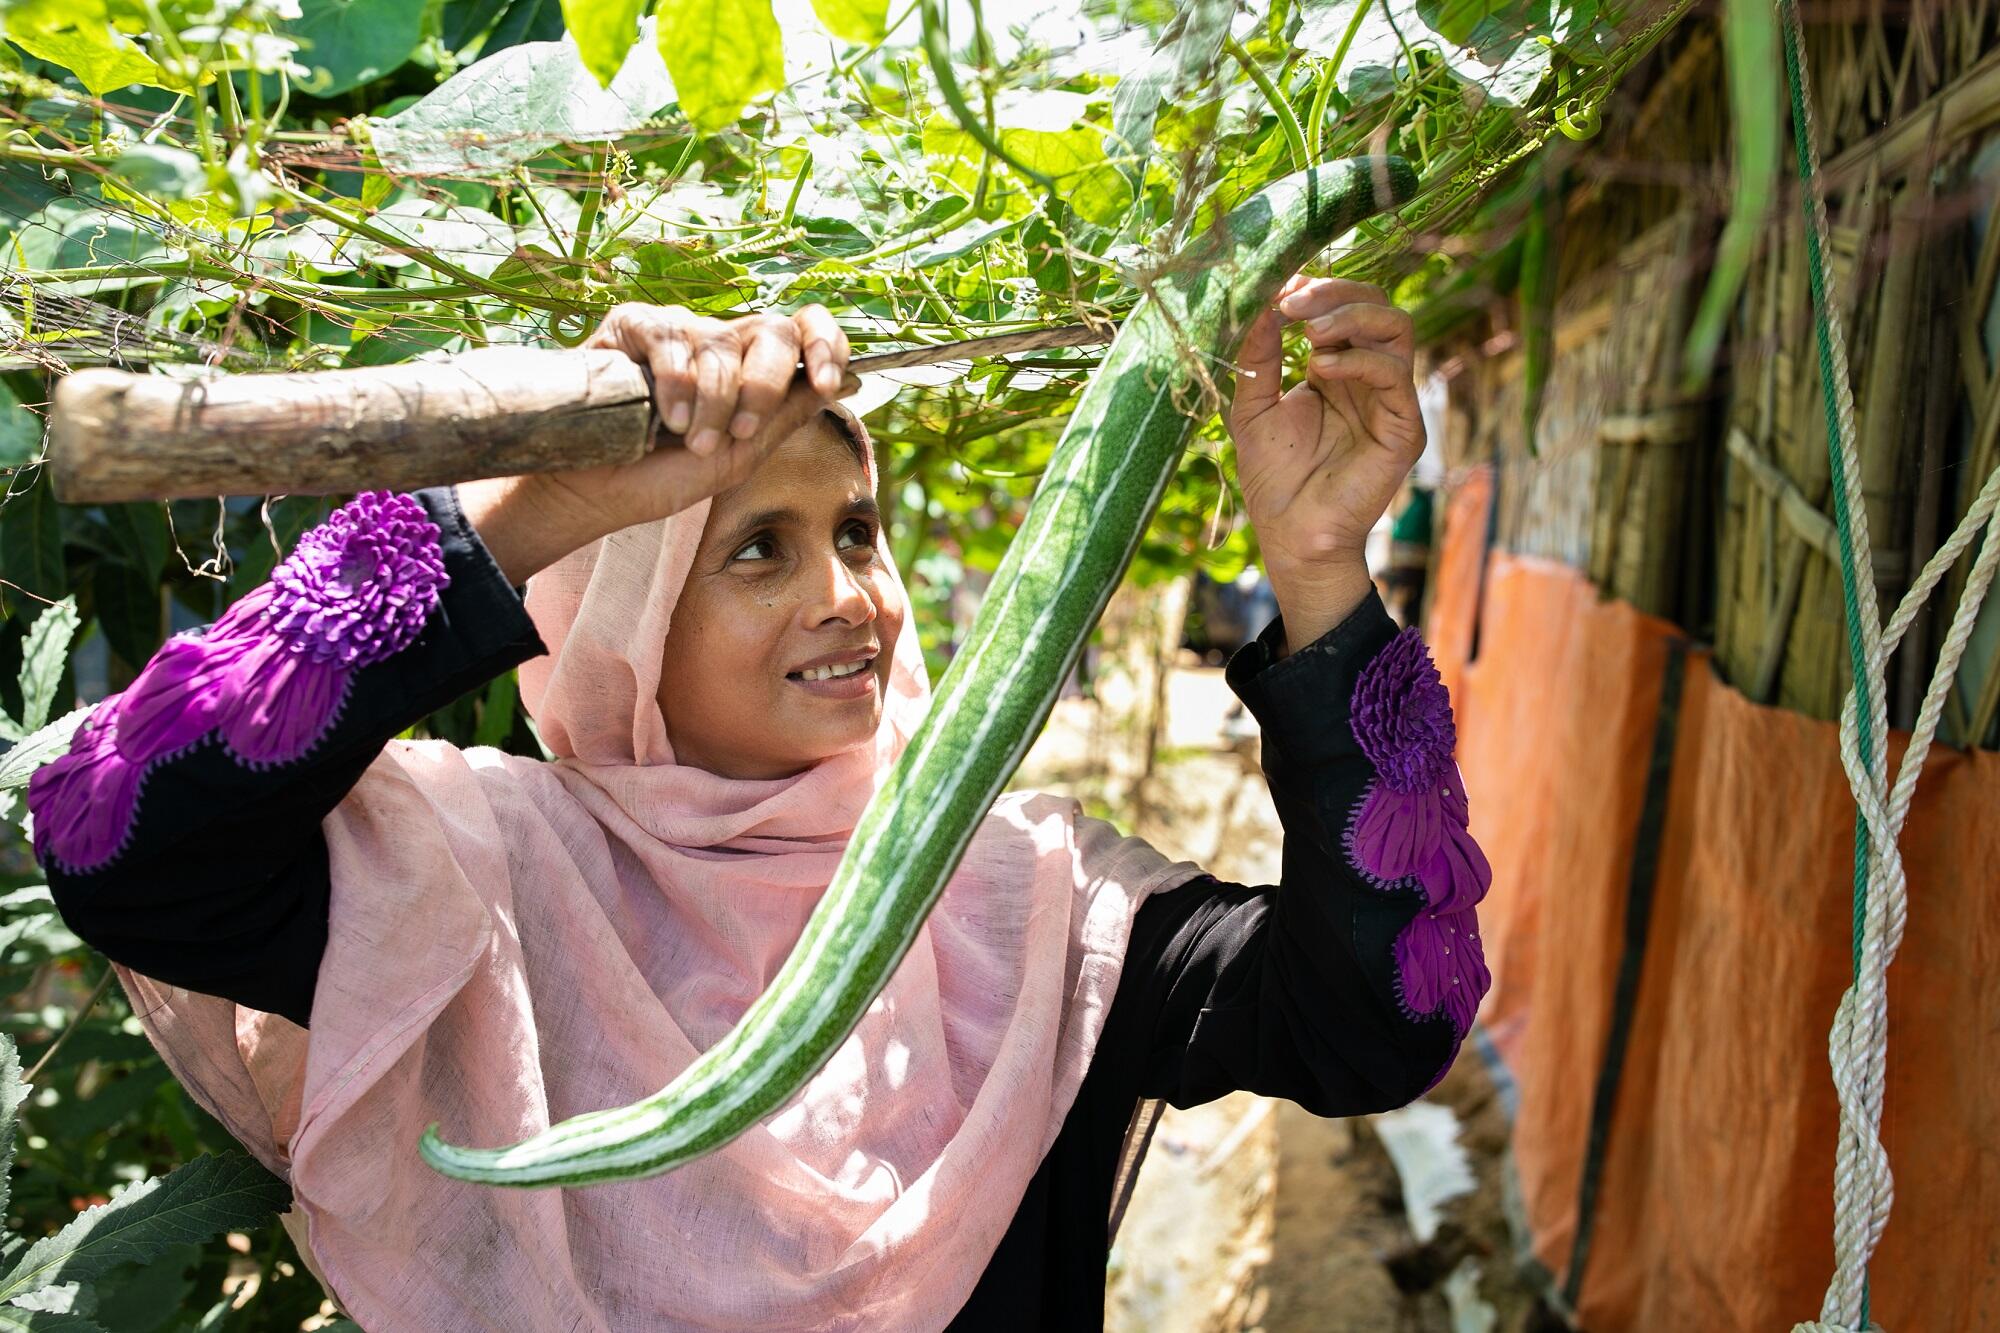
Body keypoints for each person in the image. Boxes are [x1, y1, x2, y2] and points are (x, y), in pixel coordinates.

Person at [28, 277, 1492, 1331]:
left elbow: (1390, 1014)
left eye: (854, 531)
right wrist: (540, 507)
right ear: (620, 612)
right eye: (756, 550)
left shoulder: (1035, 908)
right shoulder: (475, 885)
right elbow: (114, 825)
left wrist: (1319, 575)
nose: (848, 593)